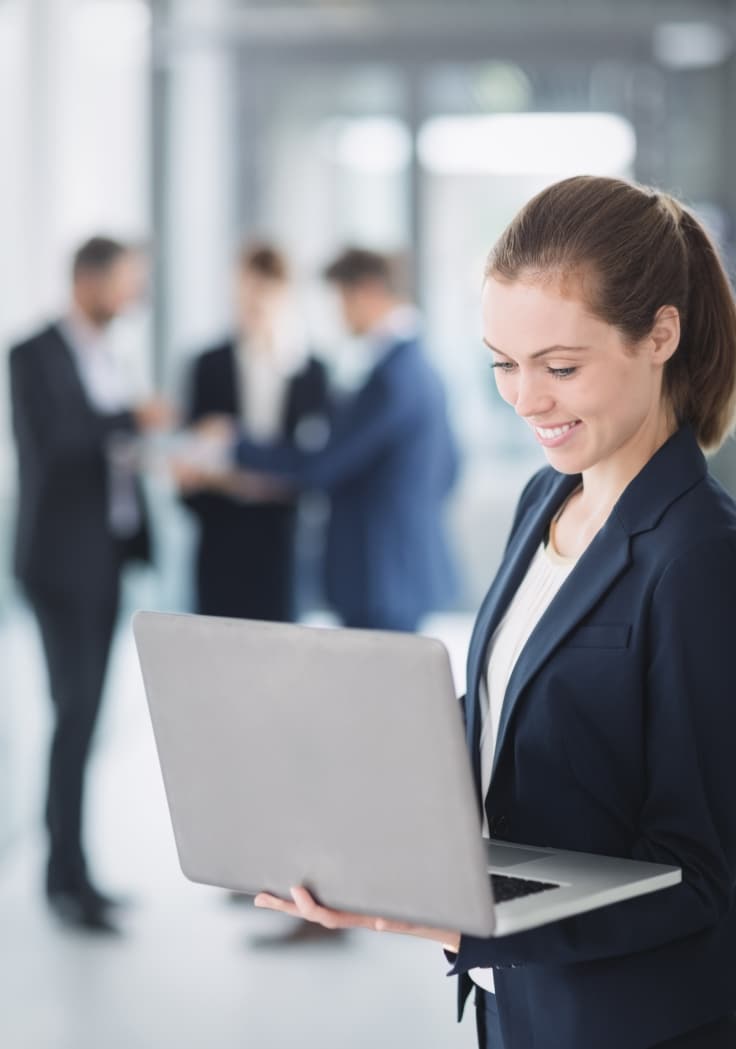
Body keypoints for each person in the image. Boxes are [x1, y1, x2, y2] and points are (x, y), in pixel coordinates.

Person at [252, 177, 736, 1048]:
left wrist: (459, 923)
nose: (525, 400)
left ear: (660, 334)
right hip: (519, 1011)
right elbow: (522, 715)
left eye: (560, 366)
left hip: (629, 1025)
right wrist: (346, 772)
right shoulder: (543, 501)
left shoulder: (701, 557)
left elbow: (703, 876)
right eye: (502, 365)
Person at [9, 236, 170, 933]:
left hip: (107, 558)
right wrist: (133, 419)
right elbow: (61, 443)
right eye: (124, 284)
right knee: (73, 715)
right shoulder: (32, 353)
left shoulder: (108, 353)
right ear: (87, 280)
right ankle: (63, 876)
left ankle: (73, 870)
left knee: (85, 718)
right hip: (59, 563)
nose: (131, 298)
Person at [207, 247, 459, 633]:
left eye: (341, 299)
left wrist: (233, 444)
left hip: (378, 573)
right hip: (397, 569)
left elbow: (322, 466)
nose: (338, 314)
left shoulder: (391, 378)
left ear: (369, 292)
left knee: (373, 688)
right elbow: (451, 468)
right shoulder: (419, 366)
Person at [175, 242, 329, 622]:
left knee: (281, 654)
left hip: (283, 538)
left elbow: (314, 462)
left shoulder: (311, 372)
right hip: (220, 534)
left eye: (264, 292)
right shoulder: (207, 365)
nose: (253, 303)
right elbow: (189, 454)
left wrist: (238, 457)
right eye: (246, 291)